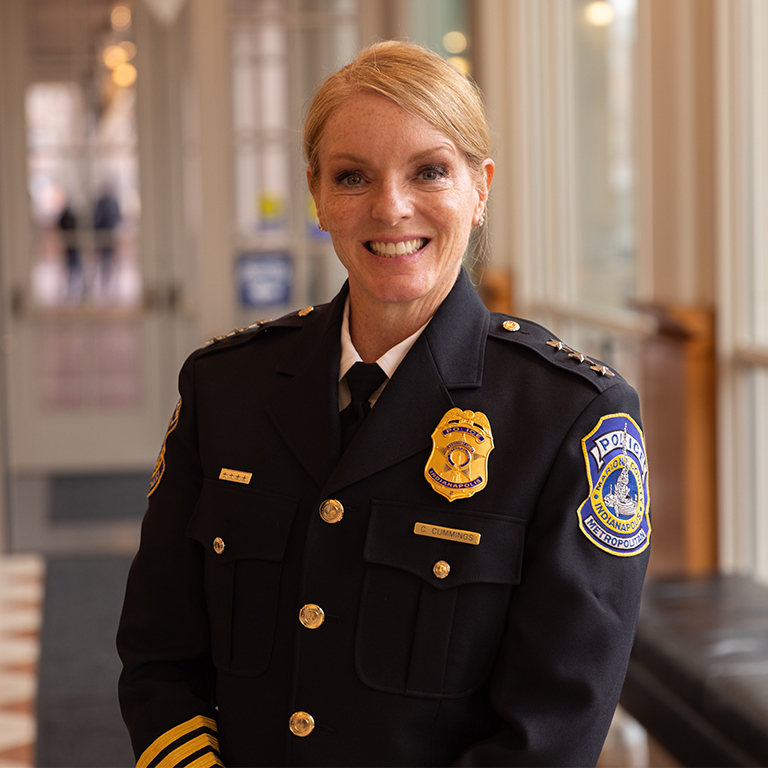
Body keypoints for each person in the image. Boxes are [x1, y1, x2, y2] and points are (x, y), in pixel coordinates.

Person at [117, 41, 650, 767]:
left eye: (430, 171)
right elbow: (159, 655)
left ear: (480, 187)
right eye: (352, 176)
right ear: (317, 195)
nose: (390, 206)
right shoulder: (223, 388)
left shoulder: (571, 418)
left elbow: (550, 730)